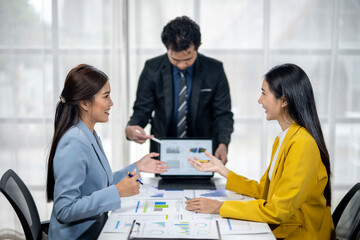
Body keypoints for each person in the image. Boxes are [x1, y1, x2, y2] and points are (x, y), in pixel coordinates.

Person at [185, 64, 334, 239]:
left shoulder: (302, 144)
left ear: (284, 100)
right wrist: (222, 170)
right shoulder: (285, 138)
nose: (259, 100)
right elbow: (265, 192)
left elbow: (278, 210)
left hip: (300, 234)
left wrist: (218, 207)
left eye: (264, 93)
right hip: (286, 228)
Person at [46, 64, 169, 239]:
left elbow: (99, 183)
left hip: (96, 228)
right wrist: (117, 192)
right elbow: (64, 210)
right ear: (84, 103)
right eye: (106, 96)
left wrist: (138, 166)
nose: (111, 103)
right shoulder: (74, 141)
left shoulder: (89, 133)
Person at [125, 16, 234, 164]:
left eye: (188, 59)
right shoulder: (152, 69)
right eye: (175, 59)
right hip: (163, 152)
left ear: (198, 46)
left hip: (203, 153)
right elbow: (142, 109)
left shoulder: (214, 70)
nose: (182, 65)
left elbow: (223, 114)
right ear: (167, 49)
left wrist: (223, 144)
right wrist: (132, 127)